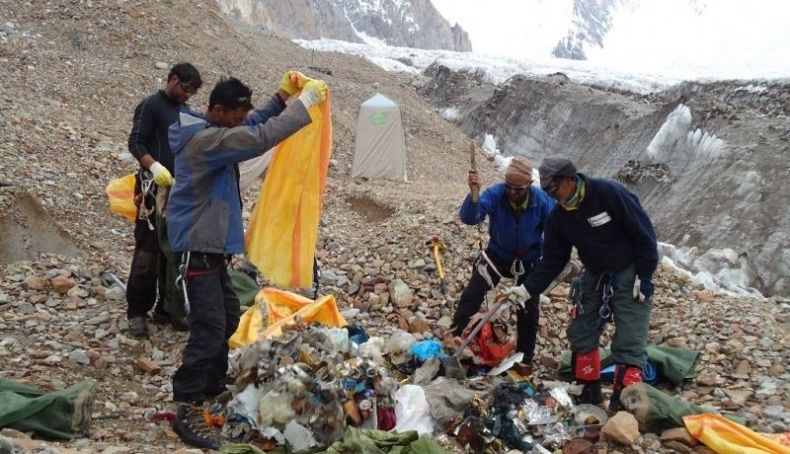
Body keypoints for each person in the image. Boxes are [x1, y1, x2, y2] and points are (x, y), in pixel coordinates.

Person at [165, 73, 327, 449]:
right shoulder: (206, 141)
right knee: (208, 326)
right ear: (218, 111)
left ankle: (212, 387)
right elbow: (257, 137)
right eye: (235, 115)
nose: (242, 120)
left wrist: (282, 96)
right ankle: (186, 403)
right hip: (198, 246)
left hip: (213, 247)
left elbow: (251, 124)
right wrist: (304, 105)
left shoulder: (216, 131)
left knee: (228, 315)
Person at [506, 156, 658, 411]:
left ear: (569, 179)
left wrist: (644, 276)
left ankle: (622, 400)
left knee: (631, 333)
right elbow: (553, 260)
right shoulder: (559, 217)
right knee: (581, 329)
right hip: (595, 271)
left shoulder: (607, 193)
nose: (553, 196)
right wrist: (526, 289)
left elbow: (643, 233)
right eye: (547, 192)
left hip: (629, 267)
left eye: (554, 189)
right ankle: (589, 389)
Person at [452, 157, 555, 372]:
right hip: (497, 255)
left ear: (529, 185)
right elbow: (470, 218)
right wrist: (474, 195)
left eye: (518, 189)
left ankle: (524, 359)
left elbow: (555, 229)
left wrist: (547, 257)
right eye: (510, 187)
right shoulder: (496, 193)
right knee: (472, 295)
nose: (513, 192)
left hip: (529, 259)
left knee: (528, 307)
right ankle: (454, 342)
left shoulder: (542, 201)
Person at [126, 63, 203, 337]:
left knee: (173, 253)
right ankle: (136, 312)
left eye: (192, 92)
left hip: (178, 193)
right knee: (147, 251)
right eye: (185, 89)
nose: (187, 95)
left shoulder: (186, 113)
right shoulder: (152, 105)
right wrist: (155, 167)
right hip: (151, 190)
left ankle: (167, 309)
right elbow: (136, 142)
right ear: (172, 79)